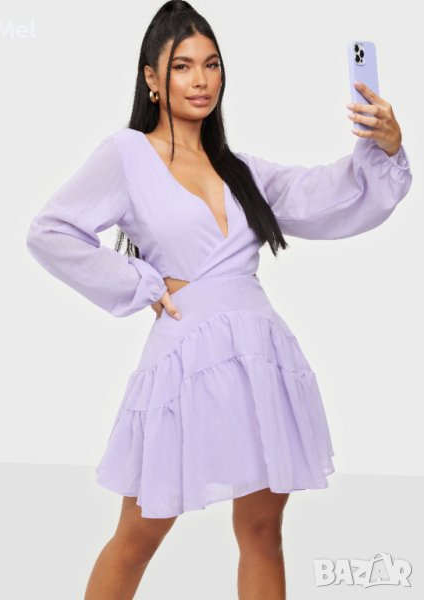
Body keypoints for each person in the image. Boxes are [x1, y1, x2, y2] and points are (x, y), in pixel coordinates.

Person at [25, 1, 412, 598]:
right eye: (182, 66)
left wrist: (383, 148)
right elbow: (51, 231)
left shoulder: (240, 170)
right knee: (139, 536)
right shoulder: (127, 154)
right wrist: (141, 283)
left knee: (262, 533)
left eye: (211, 64)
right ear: (152, 78)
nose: (201, 79)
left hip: (259, 360)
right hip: (185, 365)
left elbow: (327, 195)